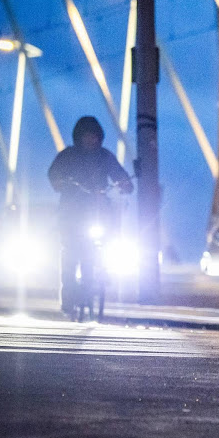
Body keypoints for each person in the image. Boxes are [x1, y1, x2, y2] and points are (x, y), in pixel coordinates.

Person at [48, 116, 133, 316]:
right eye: (86, 136)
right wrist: (59, 181)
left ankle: (102, 272)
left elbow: (119, 174)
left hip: (97, 211)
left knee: (108, 234)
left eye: (94, 136)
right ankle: (68, 295)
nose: (90, 140)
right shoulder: (68, 155)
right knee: (69, 252)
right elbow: (53, 173)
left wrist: (125, 183)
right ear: (79, 137)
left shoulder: (105, 156)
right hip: (71, 212)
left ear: (99, 137)